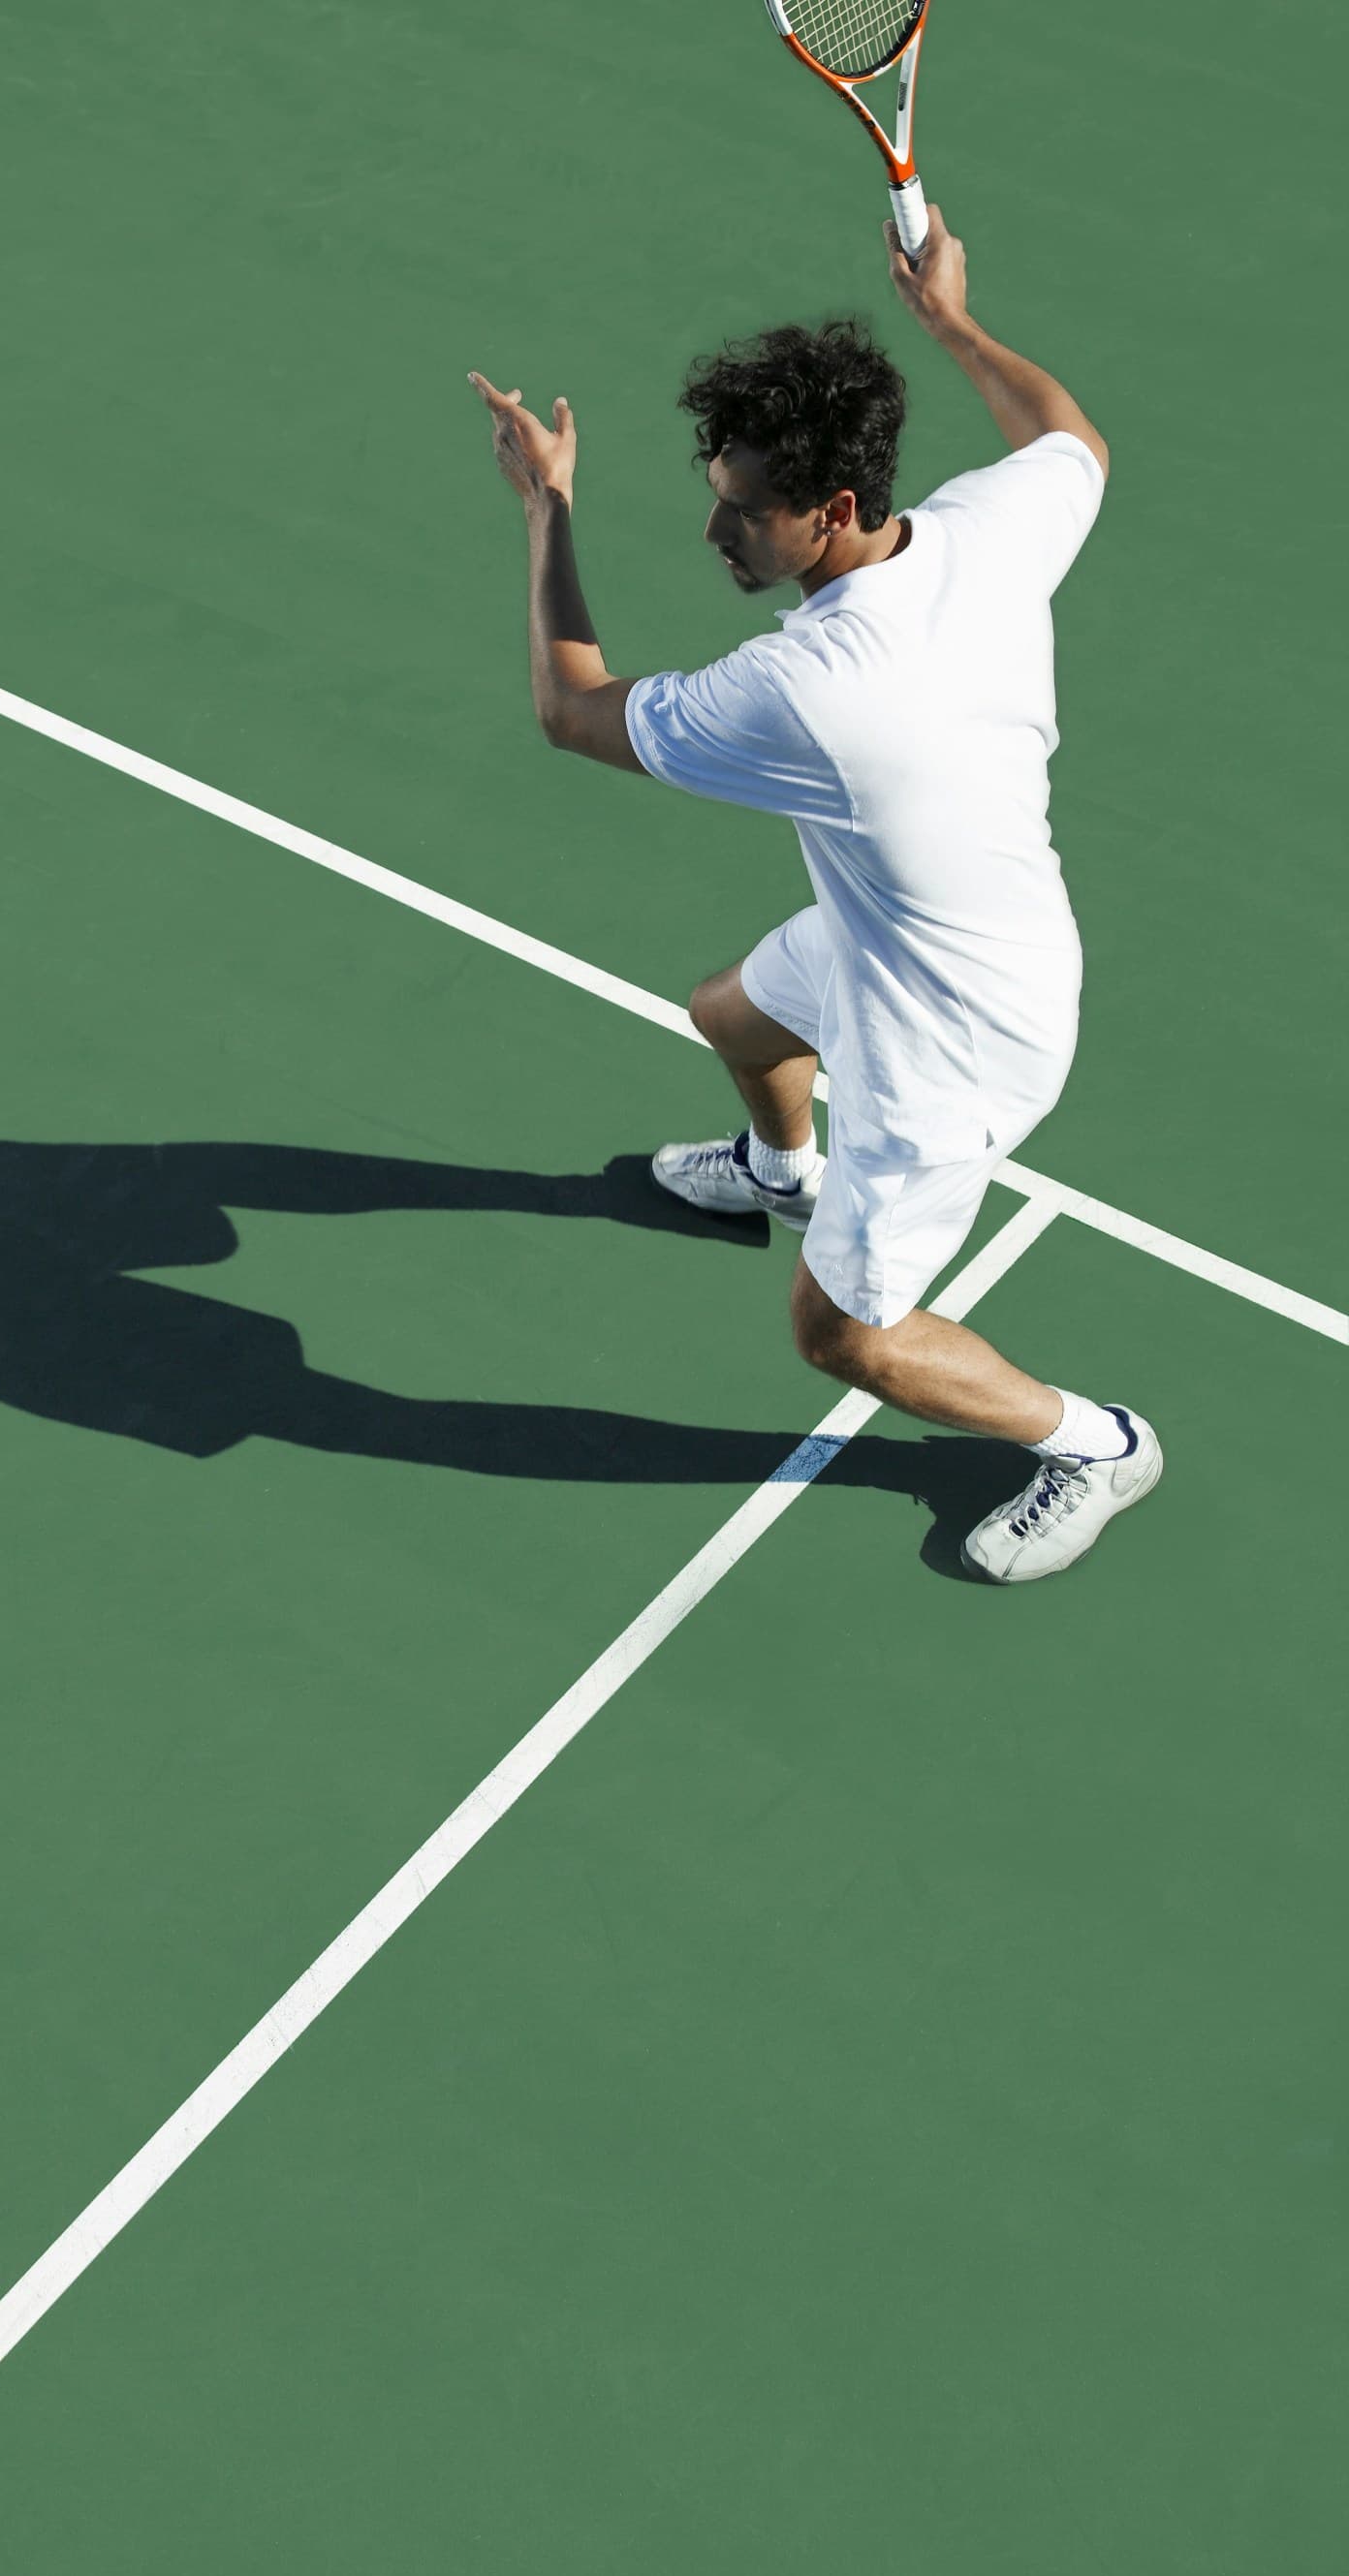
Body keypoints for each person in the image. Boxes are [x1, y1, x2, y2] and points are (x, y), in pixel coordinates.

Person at [468, 206, 1161, 1582]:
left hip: (950, 1049)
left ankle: (1094, 1442)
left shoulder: (808, 692)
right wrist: (954, 325)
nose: (716, 527)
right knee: (731, 1013)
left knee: (843, 1337)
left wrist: (549, 507)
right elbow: (1072, 438)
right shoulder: (982, 533)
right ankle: (781, 1173)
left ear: (834, 510)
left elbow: (572, 711)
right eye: (716, 487)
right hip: (936, 936)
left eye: (745, 506)